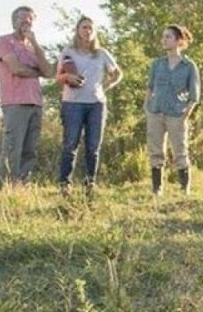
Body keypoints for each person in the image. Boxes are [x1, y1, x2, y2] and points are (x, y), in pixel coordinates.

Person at [56, 16, 122, 199]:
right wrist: (68, 78)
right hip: (73, 103)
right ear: (77, 30)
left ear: (95, 32)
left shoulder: (101, 53)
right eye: (84, 27)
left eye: (91, 28)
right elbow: (58, 77)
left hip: (96, 104)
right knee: (70, 145)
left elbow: (117, 73)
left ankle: (89, 184)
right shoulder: (68, 52)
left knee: (93, 146)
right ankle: (65, 185)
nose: (87, 31)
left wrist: (105, 87)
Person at [0, 6, 51, 189]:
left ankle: (22, 186)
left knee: (30, 150)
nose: (26, 22)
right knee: (12, 147)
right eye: (22, 19)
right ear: (14, 21)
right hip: (15, 101)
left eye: (30, 19)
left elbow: (49, 71)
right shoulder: (4, 41)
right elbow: (16, 68)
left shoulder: (33, 48)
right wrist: (36, 72)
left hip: (36, 102)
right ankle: (3, 187)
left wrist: (35, 45)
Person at [145, 25, 200, 195]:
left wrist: (186, 113)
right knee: (156, 151)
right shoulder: (157, 64)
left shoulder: (188, 66)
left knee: (180, 152)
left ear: (179, 41)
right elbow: (149, 87)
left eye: (168, 37)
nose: (164, 40)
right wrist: (147, 108)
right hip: (156, 111)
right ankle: (157, 188)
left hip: (177, 113)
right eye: (163, 37)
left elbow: (194, 94)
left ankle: (184, 189)